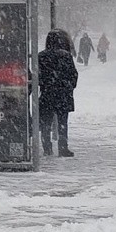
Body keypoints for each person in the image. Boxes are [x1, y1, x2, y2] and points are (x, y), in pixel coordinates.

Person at [38, 28, 79, 157]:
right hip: (63, 94)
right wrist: (69, 87)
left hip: (47, 94)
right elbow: (73, 74)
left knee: (45, 124)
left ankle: (47, 148)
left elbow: (37, 75)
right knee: (62, 122)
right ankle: (62, 148)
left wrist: (45, 84)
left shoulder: (41, 56)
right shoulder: (66, 56)